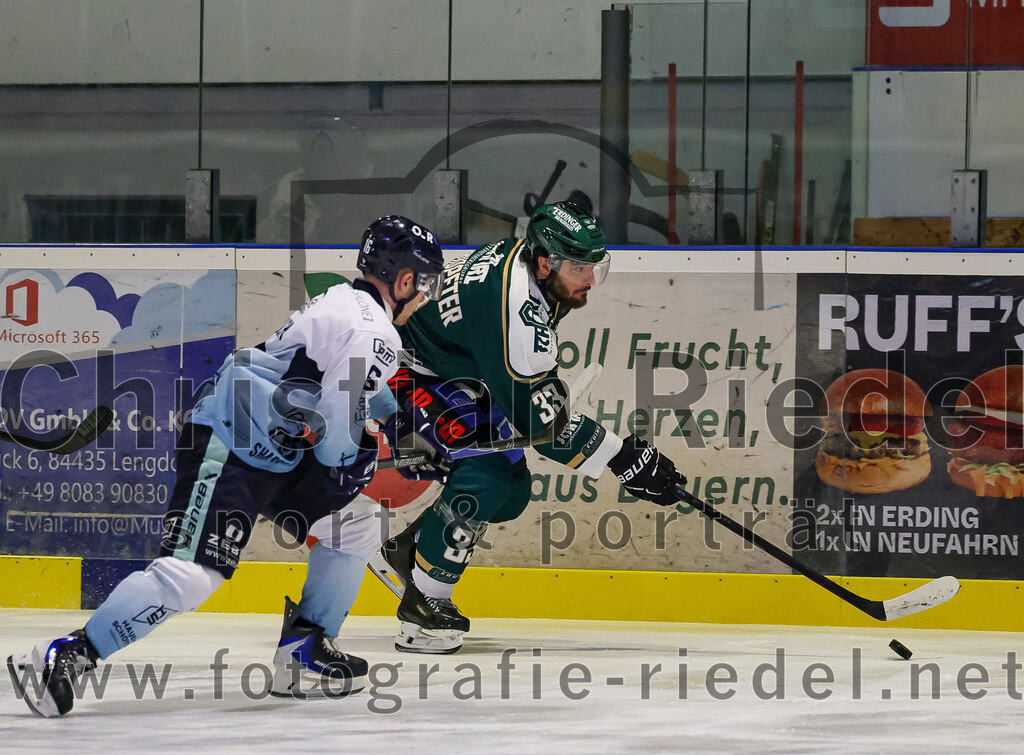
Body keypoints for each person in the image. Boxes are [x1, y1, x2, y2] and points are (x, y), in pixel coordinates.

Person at [6, 215, 445, 716]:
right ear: (405, 279)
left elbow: (352, 383)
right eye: (425, 282)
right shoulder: (374, 332)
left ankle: (304, 652)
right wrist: (370, 457)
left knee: (353, 522)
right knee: (193, 576)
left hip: (273, 445)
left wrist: (405, 429)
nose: (426, 295)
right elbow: (335, 447)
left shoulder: (349, 307)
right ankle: (63, 657)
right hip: (231, 442)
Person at [373, 201, 686, 654]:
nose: (591, 279)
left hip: (451, 373)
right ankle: (422, 607)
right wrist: (624, 459)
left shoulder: (530, 270)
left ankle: (413, 550)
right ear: (545, 262)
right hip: (399, 372)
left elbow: (530, 394)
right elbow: (543, 424)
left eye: (595, 265)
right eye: (580, 267)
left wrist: (616, 453)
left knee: (511, 492)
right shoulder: (513, 304)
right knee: (486, 476)